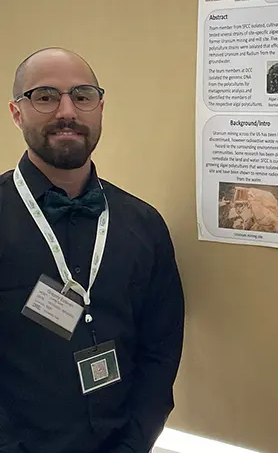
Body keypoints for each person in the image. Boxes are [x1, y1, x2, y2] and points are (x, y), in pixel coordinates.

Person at [0, 48, 185, 453]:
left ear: (100, 107)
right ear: (17, 113)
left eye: (81, 96)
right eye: (45, 96)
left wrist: (134, 444)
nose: (67, 110)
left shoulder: (144, 225)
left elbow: (161, 351)